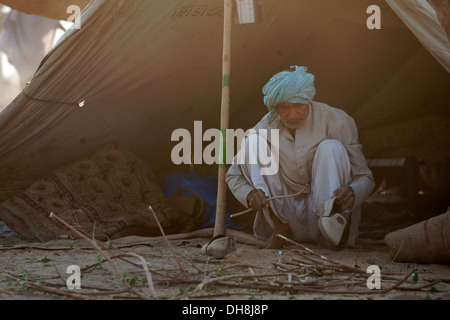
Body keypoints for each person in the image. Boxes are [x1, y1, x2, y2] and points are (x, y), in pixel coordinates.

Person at [226, 66, 375, 249]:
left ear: (308, 99)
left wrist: (352, 191)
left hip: (326, 215)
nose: (293, 114)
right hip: (284, 214)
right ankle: (280, 230)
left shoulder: (337, 120)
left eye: (299, 105)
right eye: (285, 108)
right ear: (275, 107)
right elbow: (233, 175)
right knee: (252, 142)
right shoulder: (266, 126)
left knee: (331, 148)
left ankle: (326, 233)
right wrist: (250, 195)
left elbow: (365, 178)